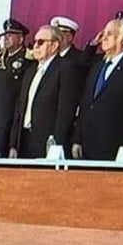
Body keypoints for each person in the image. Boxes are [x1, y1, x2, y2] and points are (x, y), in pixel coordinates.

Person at [71, 19, 123, 160]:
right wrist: (77, 139)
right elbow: (86, 104)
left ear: (122, 39)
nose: (103, 37)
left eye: (109, 34)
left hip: (119, 146)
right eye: (104, 33)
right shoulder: (97, 66)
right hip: (89, 144)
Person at [10, 25, 81, 158]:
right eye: (34, 42)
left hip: (48, 141)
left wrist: (56, 144)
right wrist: (14, 143)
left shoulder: (65, 69)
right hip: (24, 139)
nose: (35, 46)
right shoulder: (30, 71)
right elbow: (20, 108)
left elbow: (65, 111)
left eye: (41, 42)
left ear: (54, 46)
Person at [0, 19, 31, 91]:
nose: (5, 38)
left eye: (9, 36)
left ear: (20, 39)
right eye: (5, 36)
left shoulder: (27, 57)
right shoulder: (0, 56)